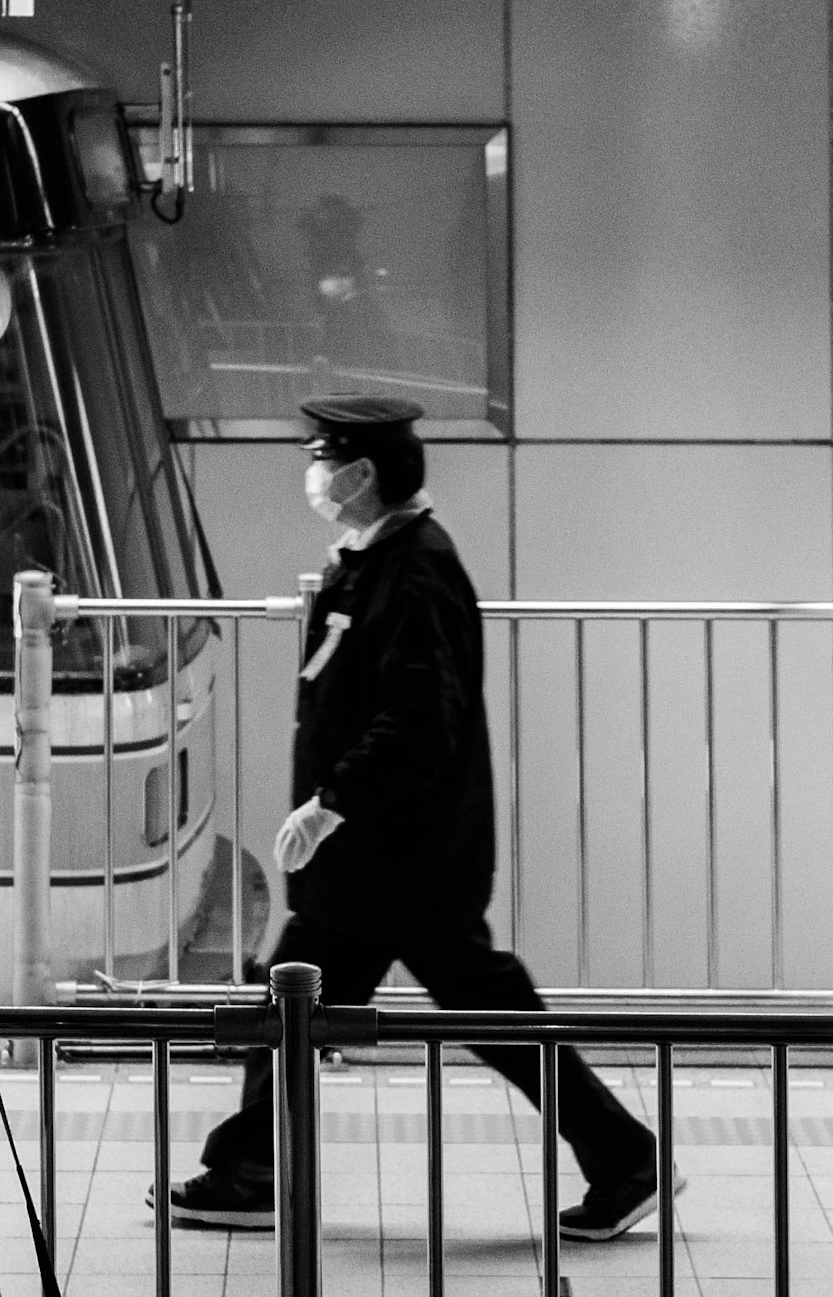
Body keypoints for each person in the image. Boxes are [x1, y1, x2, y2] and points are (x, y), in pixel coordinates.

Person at [160, 394, 667, 1241]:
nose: (313, 475)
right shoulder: (374, 559)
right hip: (386, 864)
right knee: (345, 1011)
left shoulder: (418, 569)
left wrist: (331, 804)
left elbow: (418, 721)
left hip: (395, 862)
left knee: (318, 1009)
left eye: (323, 459)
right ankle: (624, 1160)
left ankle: (253, 1172)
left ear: (360, 474)